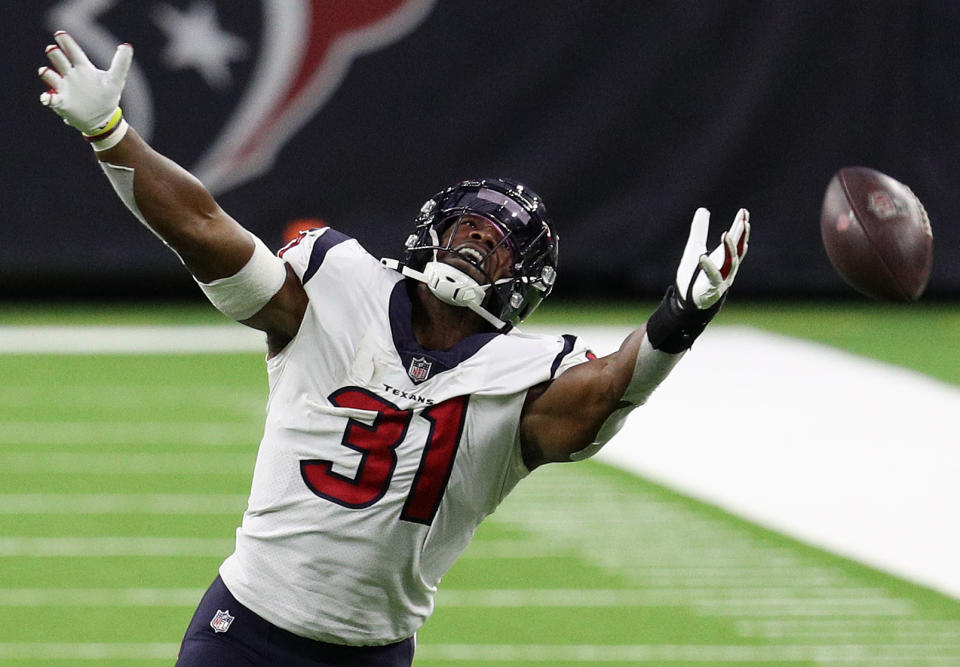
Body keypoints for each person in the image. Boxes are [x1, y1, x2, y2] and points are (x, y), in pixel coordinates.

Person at [38, 32, 750, 667]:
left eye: (500, 246)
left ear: (523, 283)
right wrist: (111, 133)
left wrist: (681, 314)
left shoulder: (522, 376)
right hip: (247, 629)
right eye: (470, 227)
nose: (478, 243)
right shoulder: (336, 287)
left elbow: (608, 390)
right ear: (429, 231)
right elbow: (203, 225)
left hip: (371, 651)